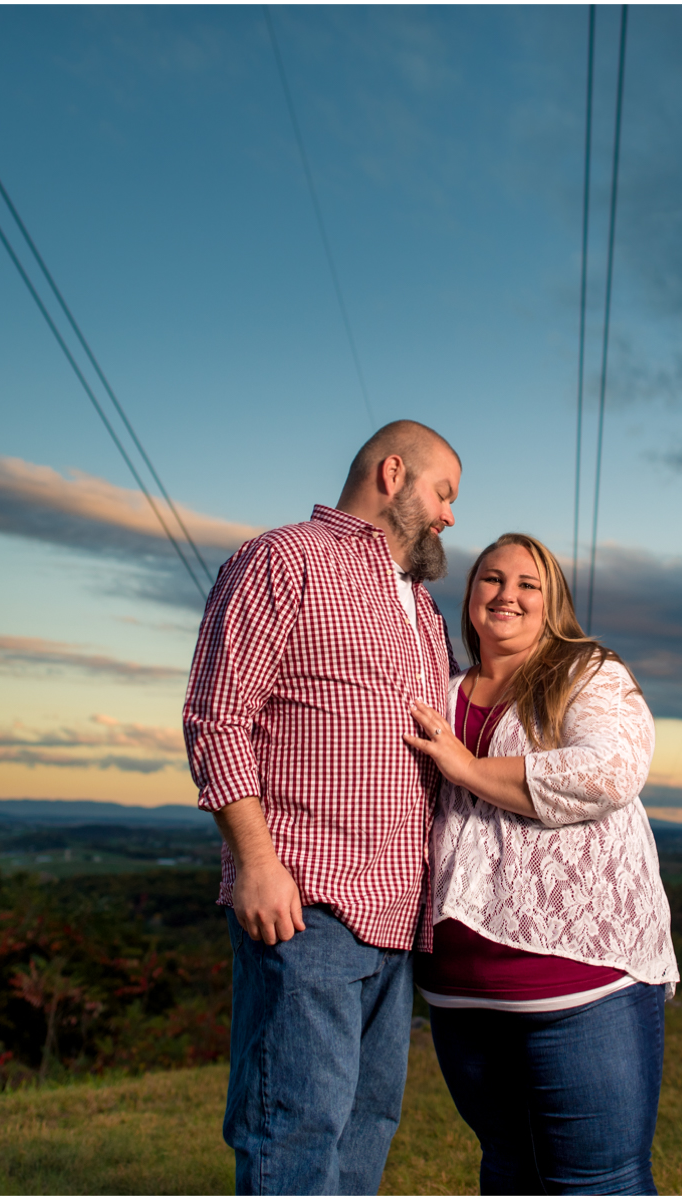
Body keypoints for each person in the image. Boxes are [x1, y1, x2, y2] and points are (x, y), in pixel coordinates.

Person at [184, 419, 462, 1195]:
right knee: (295, 1127)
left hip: (399, 918)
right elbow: (216, 717)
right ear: (393, 474)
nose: (448, 515)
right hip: (308, 906)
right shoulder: (284, 559)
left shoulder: (424, 607)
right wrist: (258, 864)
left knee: (368, 1125)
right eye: (443, 493)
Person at [400, 532, 672, 1195]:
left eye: (529, 584)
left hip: (580, 984)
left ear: (554, 602)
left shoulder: (589, 672)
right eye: (491, 579)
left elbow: (609, 771)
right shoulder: (436, 686)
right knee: (509, 1172)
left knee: (598, 1182)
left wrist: (465, 768)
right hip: (458, 990)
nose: (508, 595)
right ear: (468, 596)